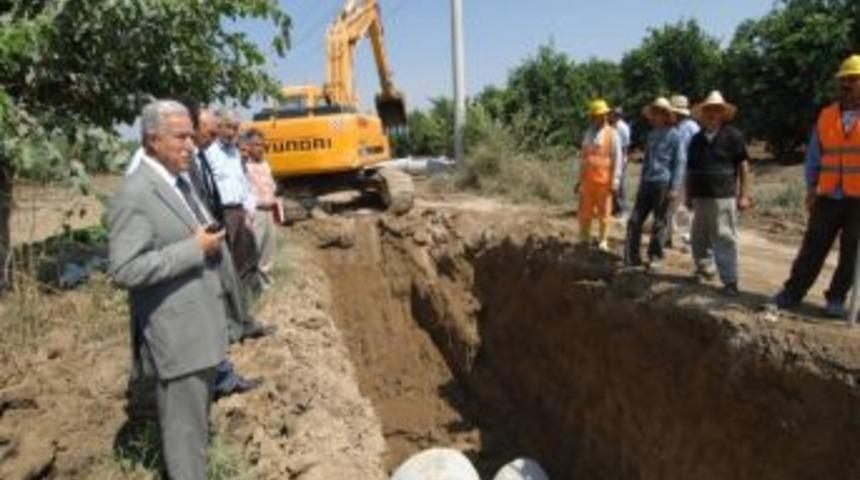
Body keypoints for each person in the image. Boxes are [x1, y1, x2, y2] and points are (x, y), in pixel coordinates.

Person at [108, 100, 229, 479]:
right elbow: (125, 268)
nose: (190, 145)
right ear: (152, 139)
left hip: (200, 329)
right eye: (181, 137)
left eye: (191, 135)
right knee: (184, 439)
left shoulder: (176, 181)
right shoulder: (136, 192)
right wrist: (194, 249)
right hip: (177, 337)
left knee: (194, 432)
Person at [773, 54, 860, 317]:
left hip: (858, 199)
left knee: (852, 253)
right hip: (828, 194)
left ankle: (836, 299)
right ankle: (792, 292)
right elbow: (814, 156)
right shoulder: (826, 116)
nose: (847, 84)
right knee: (813, 247)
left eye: (854, 79)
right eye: (844, 79)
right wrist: (811, 188)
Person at [686, 91, 752, 296]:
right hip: (700, 195)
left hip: (723, 195)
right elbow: (690, 169)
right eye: (708, 110)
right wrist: (688, 195)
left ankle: (730, 281)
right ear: (703, 114)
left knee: (724, 237)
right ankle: (704, 269)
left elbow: (743, 167)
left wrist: (744, 195)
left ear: (722, 113)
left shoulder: (733, 136)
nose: (712, 114)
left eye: (716, 110)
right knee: (699, 237)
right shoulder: (696, 140)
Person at [624, 97, 686, 270]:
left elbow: (679, 162)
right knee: (635, 220)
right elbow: (647, 162)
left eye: (659, 112)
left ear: (666, 115)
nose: (656, 116)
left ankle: (655, 256)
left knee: (660, 221)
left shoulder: (675, 136)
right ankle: (631, 257)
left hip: (663, 182)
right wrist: (641, 182)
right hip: (648, 182)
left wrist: (674, 187)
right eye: (654, 113)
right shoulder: (651, 135)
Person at [207, 108, 262, 298]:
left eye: (235, 128)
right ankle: (230, 300)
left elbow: (244, 185)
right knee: (228, 257)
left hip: (240, 211)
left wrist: (249, 209)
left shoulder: (236, 154)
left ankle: (244, 298)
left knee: (246, 255)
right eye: (228, 127)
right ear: (219, 126)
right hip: (223, 213)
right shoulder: (210, 155)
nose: (232, 132)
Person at [576, 99, 623, 251]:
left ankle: (603, 240)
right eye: (597, 115)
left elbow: (618, 159)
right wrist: (579, 180)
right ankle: (584, 238)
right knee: (585, 211)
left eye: (603, 115)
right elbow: (584, 158)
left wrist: (615, 181)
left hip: (604, 181)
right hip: (588, 181)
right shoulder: (588, 133)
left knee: (604, 212)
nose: (600, 118)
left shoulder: (613, 134)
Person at [241, 129, 279, 285]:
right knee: (254, 248)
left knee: (269, 248)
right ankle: (253, 284)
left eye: (262, 145)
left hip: (269, 211)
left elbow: (271, 185)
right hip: (255, 213)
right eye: (256, 145)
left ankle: (267, 281)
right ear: (248, 146)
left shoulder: (265, 164)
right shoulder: (244, 166)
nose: (260, 148)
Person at [665, 94, 700, 248]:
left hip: (687, 170)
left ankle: (687, 235)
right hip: (672, 170)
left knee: (686, 204)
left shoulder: (692, 127)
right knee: (670, 203)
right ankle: (668, 234)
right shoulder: (671, 127)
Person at [609, 107, 632, 219]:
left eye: (614, 114)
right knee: (611, 184)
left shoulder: (623, 128)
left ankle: (623, 209)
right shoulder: (610, 126)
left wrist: (622, 160)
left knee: (619, 184)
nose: (611, 116)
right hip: (611, 158)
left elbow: (625, 146)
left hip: (621, 158)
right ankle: (614, 208)